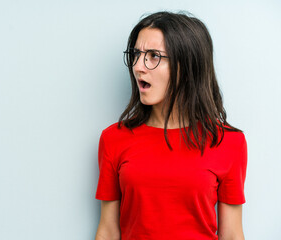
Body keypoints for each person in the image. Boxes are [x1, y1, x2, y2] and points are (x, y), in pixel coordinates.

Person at [94, 11, 248, 240]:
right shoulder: (113, 139)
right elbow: (108, 231)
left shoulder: (229, 142)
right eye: (136, 54)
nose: (138, 66)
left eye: (154, 56)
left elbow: (233, 234)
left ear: (186, 67)